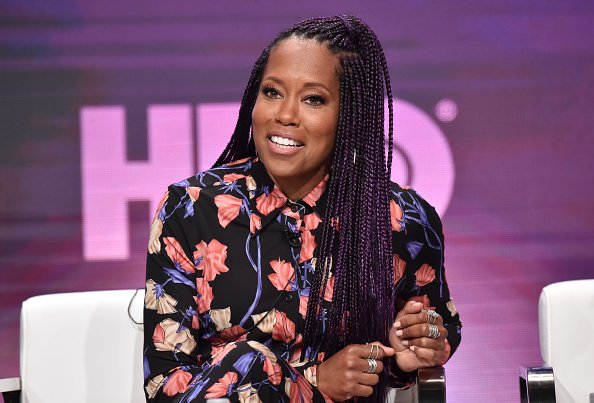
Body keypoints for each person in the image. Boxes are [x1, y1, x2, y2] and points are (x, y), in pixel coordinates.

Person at [143, 15, 461, 402]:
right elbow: (165, 387)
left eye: (313, 99)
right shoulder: (192, 208)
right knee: (248, 358)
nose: (285, 115)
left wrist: (405, 351)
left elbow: (427, 339)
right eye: (273, 92)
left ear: (350, 116)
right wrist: (309, 381)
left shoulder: (400, 218)